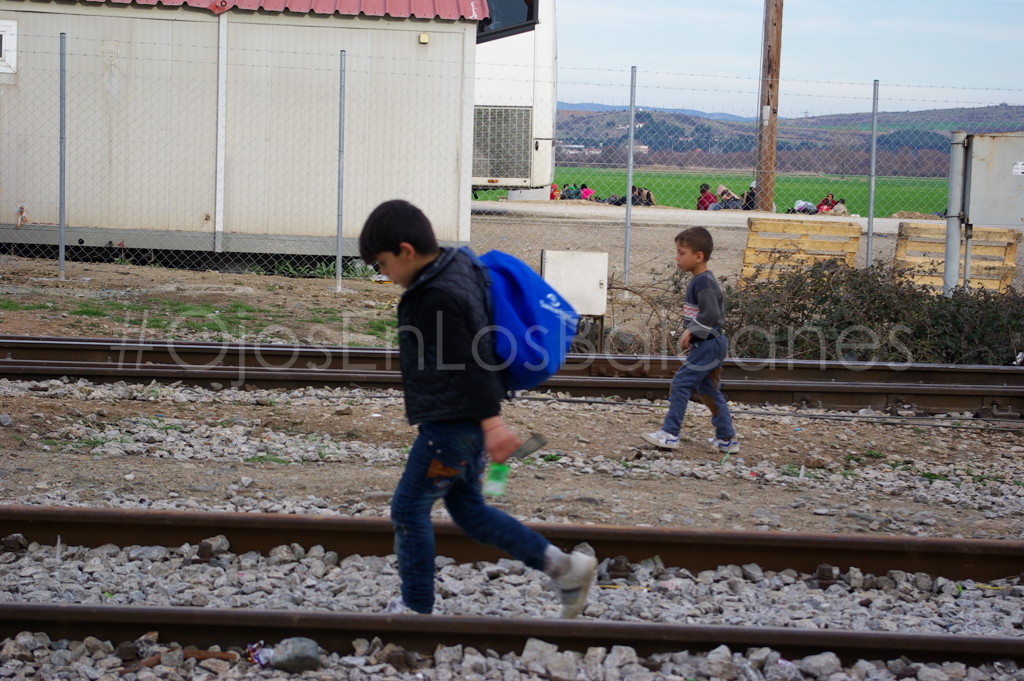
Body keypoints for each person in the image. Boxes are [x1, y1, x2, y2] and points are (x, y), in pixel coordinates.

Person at [358, 200, 597, 618]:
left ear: (406, 251)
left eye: (382, 264)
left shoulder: (433, 296)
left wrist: (492, 425)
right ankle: (566, 568)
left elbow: (468, 362)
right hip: (464, 427)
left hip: (450, 430)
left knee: (408, 509)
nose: (384, 274)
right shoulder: (459, 266)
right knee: (470, 511)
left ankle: (415, 608)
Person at [639, 227, 739, 455]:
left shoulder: (703, 282)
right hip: (711, 344)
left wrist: (692, 330)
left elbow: (711, 313)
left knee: (681, 383)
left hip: (708, 344)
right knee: (709, 391)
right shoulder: (700, 280)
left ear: (699, 256)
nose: (677, 257)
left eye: (681, 252)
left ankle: (670, 433)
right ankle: (727, 438)